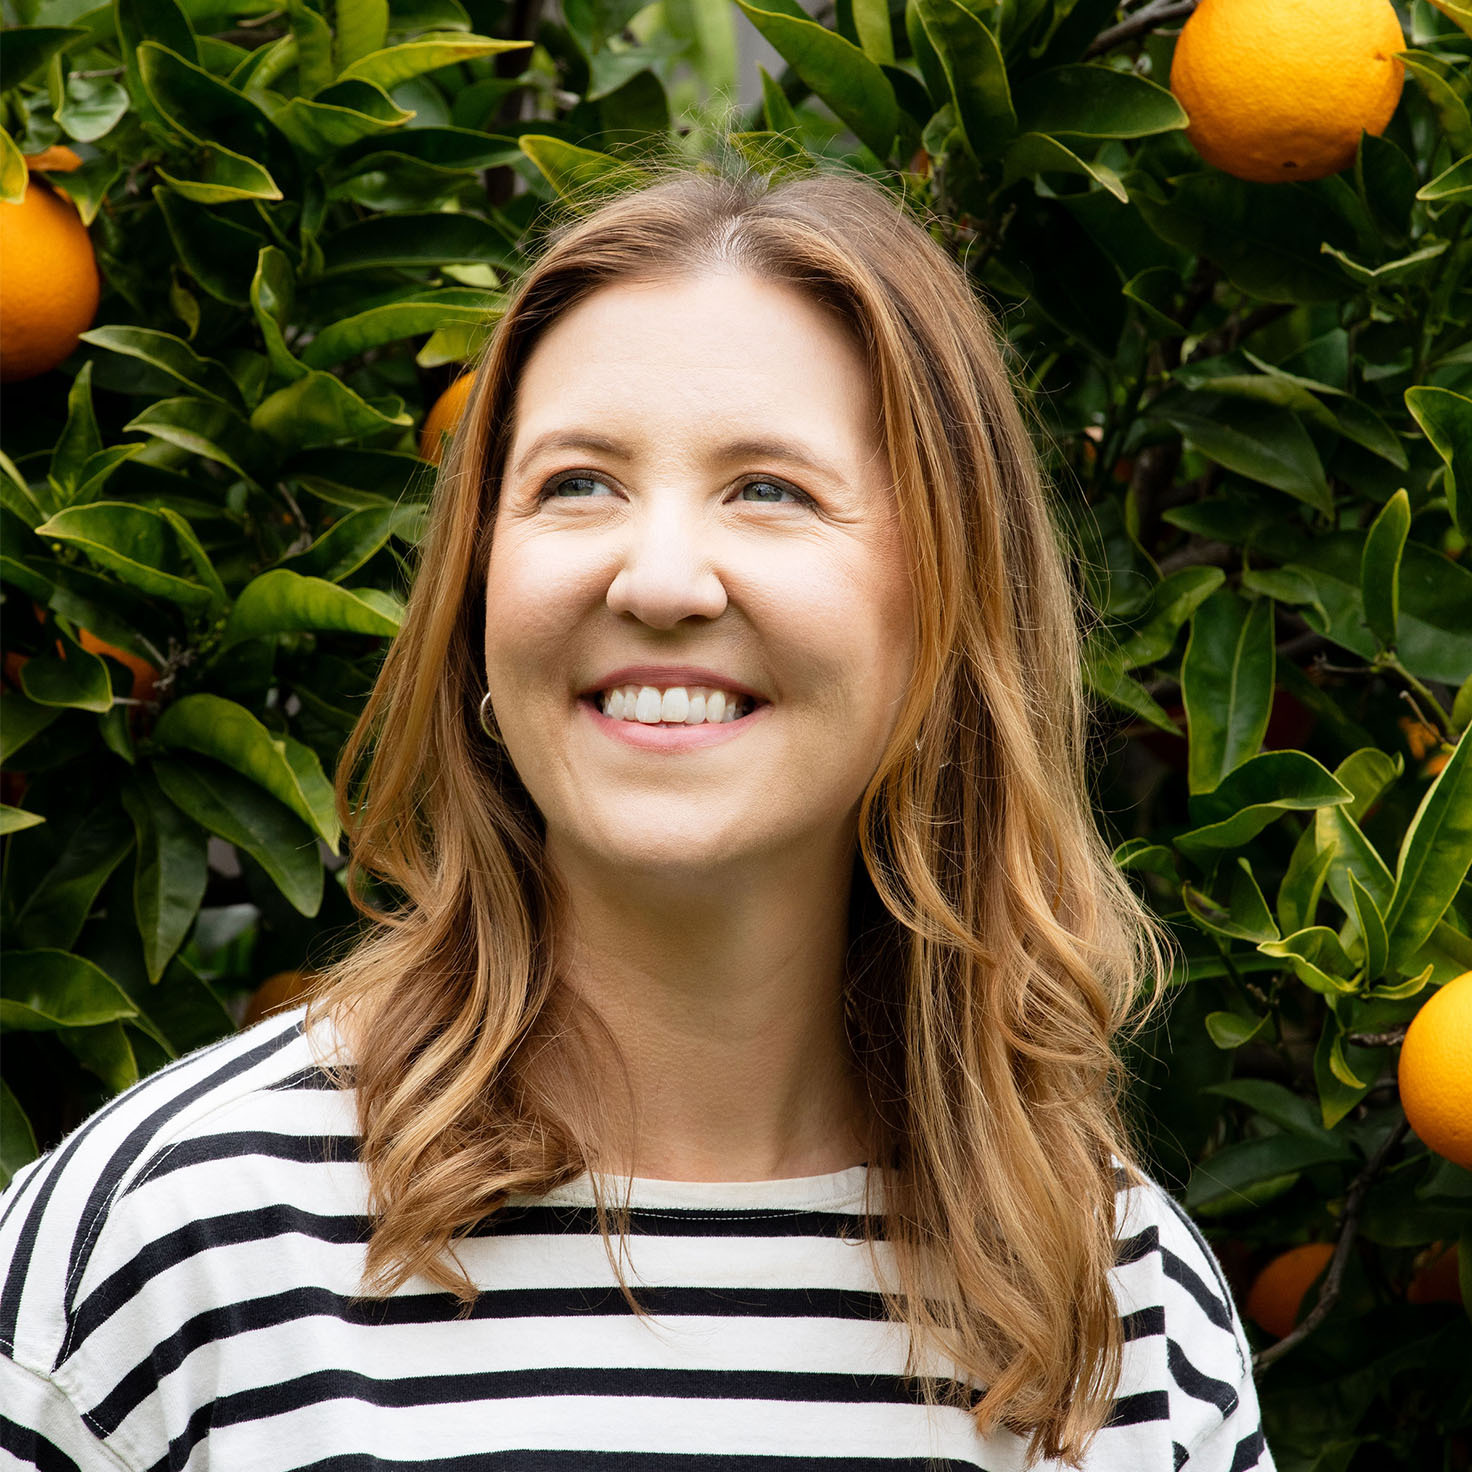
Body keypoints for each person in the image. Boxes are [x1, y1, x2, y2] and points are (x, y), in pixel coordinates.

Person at [0, 147, 1276, 1471]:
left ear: (948, 610)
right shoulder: (168, 1251)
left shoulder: (1118, 1305)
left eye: (770, 490)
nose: (659, 580)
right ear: (477, 599)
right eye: (578, 484)